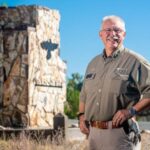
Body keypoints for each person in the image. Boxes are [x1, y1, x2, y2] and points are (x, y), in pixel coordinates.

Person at [78, 15, 150, 150]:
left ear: (124, 34)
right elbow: (84, 94)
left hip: (121, 134)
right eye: (108, 30)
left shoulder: (135, 61)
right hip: (93, 135)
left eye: (117, 30)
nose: (113, 34)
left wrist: (131, 111)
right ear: (100, 35)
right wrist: (81, 116)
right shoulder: (92, 63)